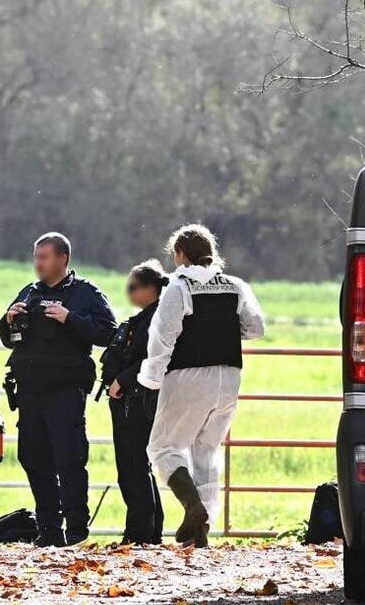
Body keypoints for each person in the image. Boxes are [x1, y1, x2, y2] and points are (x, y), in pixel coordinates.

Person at [137, 224, 265, 547]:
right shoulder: (235, 286)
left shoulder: (179, 287)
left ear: (180, 254)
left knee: (162, 447)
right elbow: (256, 328)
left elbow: (162, 336)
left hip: (188, 376)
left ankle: (192, 505)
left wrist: (151, 378)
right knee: (206, 449)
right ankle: (200, 531)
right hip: (229, 377)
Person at [0, 232, 116, 547]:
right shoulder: (29, 292)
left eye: (44, 257)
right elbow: (9, 338)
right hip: (30, 390)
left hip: (65, 389)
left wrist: (71, 318)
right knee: (33, 458)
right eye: (36, 257)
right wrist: (8, 320)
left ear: (63, 259)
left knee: (69, 457)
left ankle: (76, 531)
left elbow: (109, 333)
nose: (38, 263)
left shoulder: (85, 293)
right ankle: (49, 530)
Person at [99, 260, 169, 545]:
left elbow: (150, 359)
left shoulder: (154, 321)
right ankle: (149, 531)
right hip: (132, 401)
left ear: (150, 289)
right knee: (139, 467)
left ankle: (139, 534)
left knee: (132, 468)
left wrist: (122, 381)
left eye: (134, 287)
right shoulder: (147, 319)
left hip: (137, 401)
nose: (129, 292)